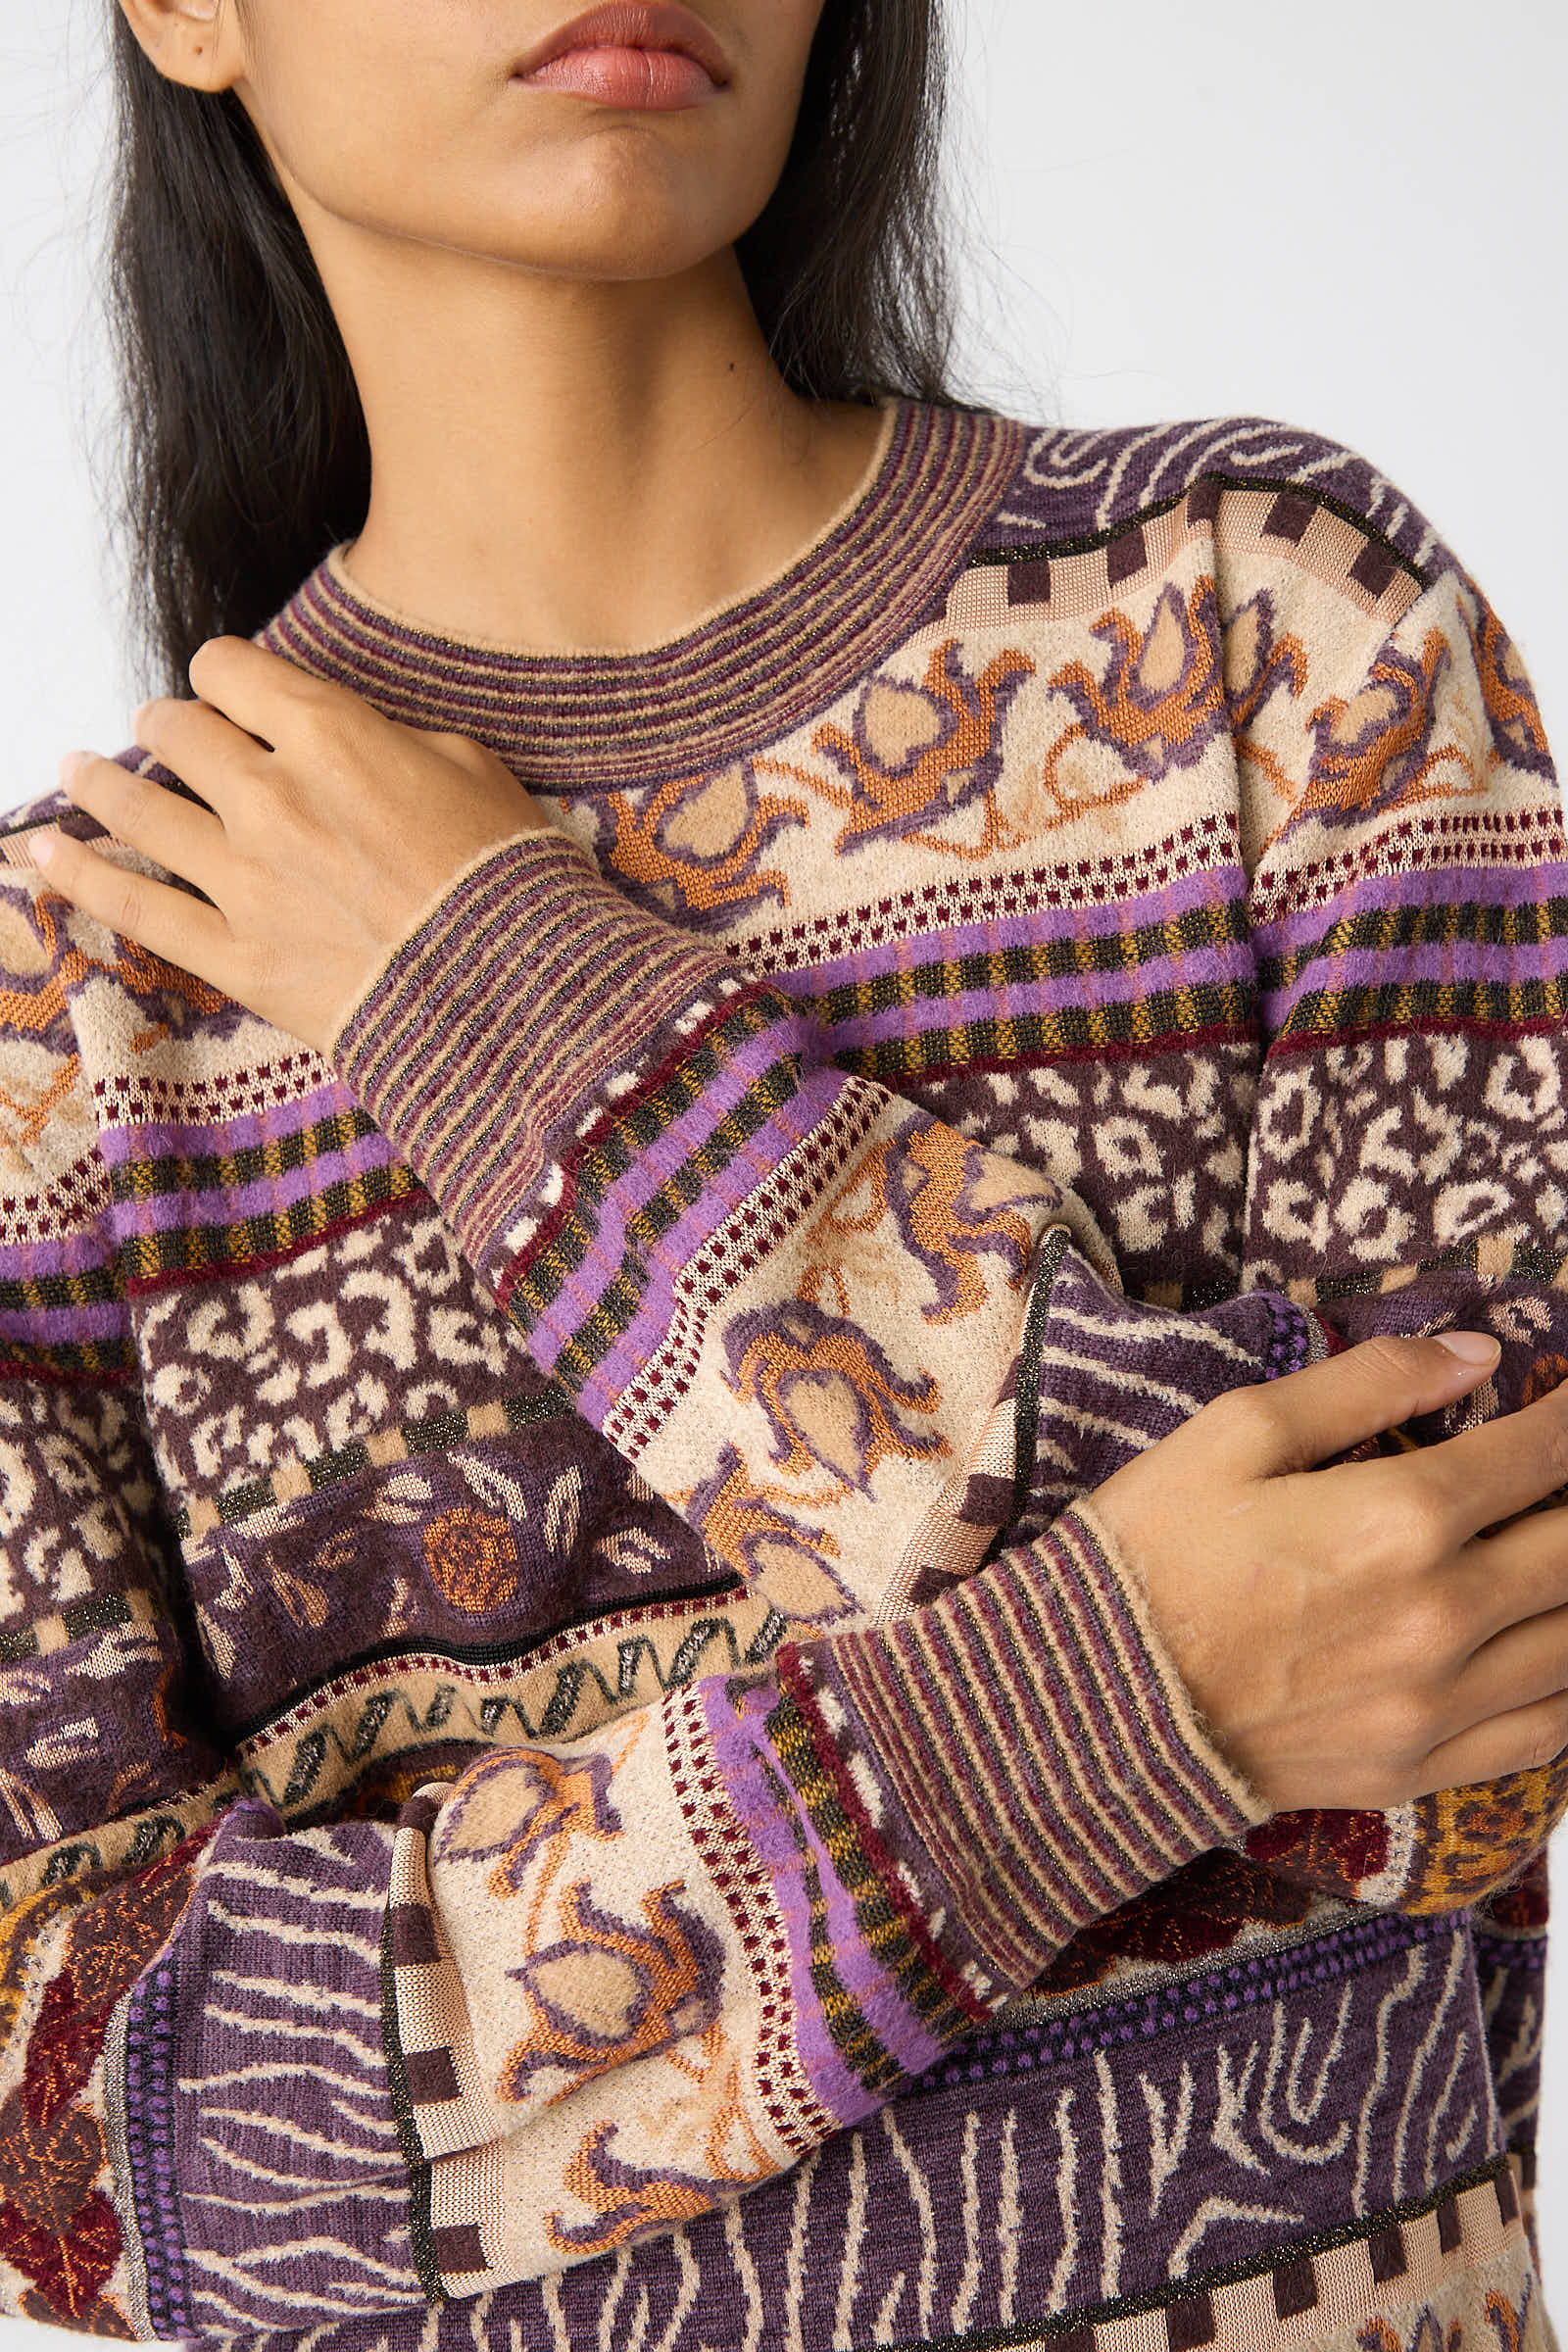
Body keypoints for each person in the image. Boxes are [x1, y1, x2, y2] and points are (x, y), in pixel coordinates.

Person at [0, 0, 1564, 2344]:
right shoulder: (69, 1001)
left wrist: (510, 1018)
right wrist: (1108, 1701)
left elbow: (1467, 1677)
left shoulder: (1270, 629)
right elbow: (97, 2148)